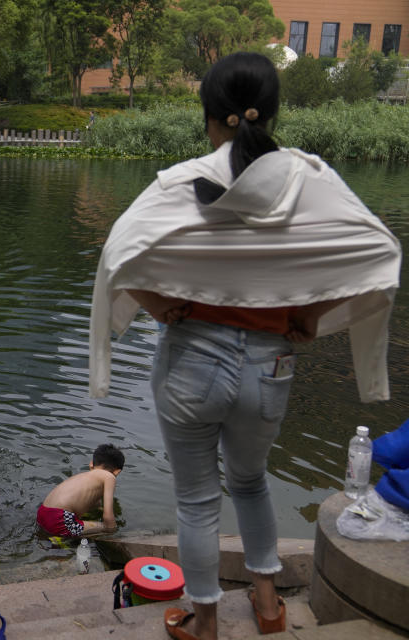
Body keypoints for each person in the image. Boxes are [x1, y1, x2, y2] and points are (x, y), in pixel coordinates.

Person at [88, 52, 400, 640]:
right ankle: (268, 603)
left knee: (198, 500)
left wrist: (159, 306)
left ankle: (204, 620)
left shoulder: (183, 183)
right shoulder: (311, 181)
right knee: (252, 482)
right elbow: (379, 250)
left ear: (211, 116)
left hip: (191, 362)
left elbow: (117, 254)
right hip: (270, 363)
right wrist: (307, 312)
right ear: (273, 111)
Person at [37, 443, 123, 538]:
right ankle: (63, 540)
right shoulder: (109, 477)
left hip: (42, 513)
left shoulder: (84, 477)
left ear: (91, 464)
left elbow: (95, 504)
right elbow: (108, 517)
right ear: (117, 471)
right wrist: (114, 530)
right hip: (60, 520)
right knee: (109, 528)